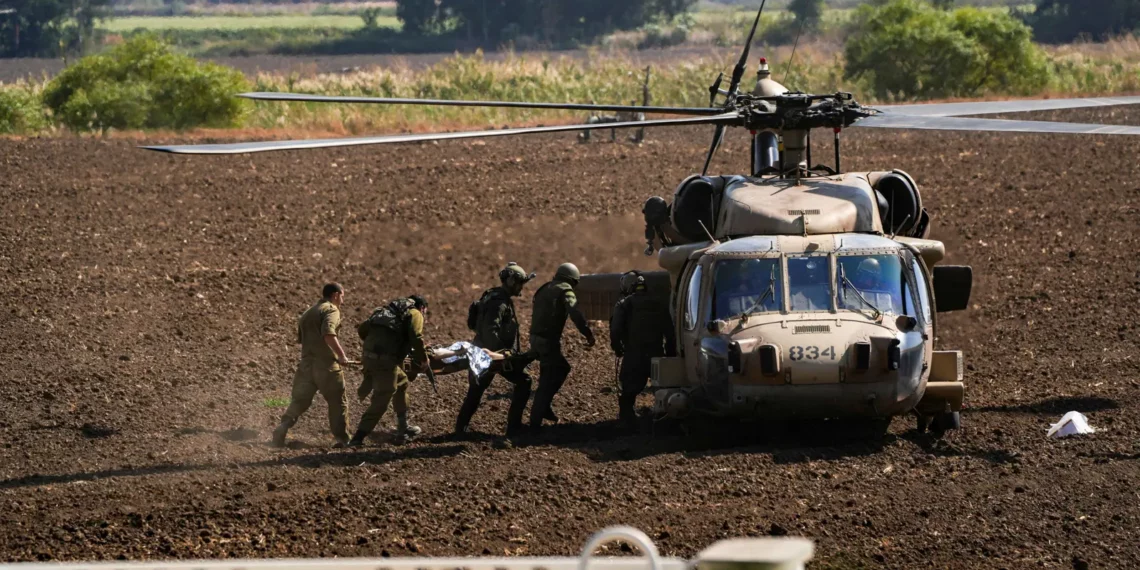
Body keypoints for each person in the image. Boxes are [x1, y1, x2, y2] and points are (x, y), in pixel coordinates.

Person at [454, 263, 536, 438]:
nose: (521, 287)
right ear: (512, 281)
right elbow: (491, 331)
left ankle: (460, 429)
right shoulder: (499, 302)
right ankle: (514, 428)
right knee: (524, 381)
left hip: (482, 351)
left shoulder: (493, 296)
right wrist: (504, 356)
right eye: (520, 283)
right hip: (491, 354)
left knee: (476, 391)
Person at [272, 283, 352, 448]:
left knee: (300, 400)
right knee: (337, 402)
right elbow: (328, 333)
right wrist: (342, 355)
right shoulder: (331, 309)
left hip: (306, 366)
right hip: (326, 367)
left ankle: (283, 426)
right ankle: (343, 439)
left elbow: (303, 340)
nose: (342, 300)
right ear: (336, 295)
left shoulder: (308, 312)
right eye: (342, 296)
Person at [349, 295, 429, 446]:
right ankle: (358, 437)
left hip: (369, 358)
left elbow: (362, 330)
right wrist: (423, 358)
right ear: (422, 308)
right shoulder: (415, 313)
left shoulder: (385, 311)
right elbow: (416, 336)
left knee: (402, 381)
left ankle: (403, 426)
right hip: (385, 362)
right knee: (383, 396)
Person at [528, 262, 595, 431]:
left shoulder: (544, 288)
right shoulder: (565, 290)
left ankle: (544, 409)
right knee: (558, 371)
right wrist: (587, 332)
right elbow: (574, 312)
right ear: (573, 280)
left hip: (535, 338)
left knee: (547, 374)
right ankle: (536, 419)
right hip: (549, 341)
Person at [610, 270, 676, 431]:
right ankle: (664, 421)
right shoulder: (660, 304)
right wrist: (670, 354)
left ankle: (627, 422)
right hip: (656, 353)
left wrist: (617, 347)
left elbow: (615, 329)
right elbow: (670, 332)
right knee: (662, 388)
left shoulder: (625, 304)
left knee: (628, 390)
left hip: (634, 353)